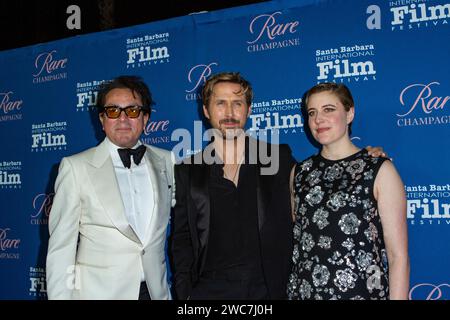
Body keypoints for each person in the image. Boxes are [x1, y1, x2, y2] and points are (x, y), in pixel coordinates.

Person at [170, 72, 385, 300]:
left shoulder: (278, 159)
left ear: (249, 109)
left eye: (238, 103)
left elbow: (321, 181)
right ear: (206, 110)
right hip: (208, 293)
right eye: (220, 103)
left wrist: (364, 158)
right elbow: (181, 239)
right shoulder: (189, 170)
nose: (230, 113)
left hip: (270, 291)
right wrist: (186, 295)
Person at [46, 75, 175, 300]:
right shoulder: (76, 167)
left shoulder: (167, 160)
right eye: (113, 111)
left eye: (133, 111)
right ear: (102, 120)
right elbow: (61, 248)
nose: (123, 119)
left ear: (146, 118)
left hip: (155, 293)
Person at [287, 83, 410, 300]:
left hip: (361, 294)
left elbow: (397, 256)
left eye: (328, 109)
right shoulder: (300, 172)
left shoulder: (379, 170)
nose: (318, 119)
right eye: (312, 113)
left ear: (350, 113)